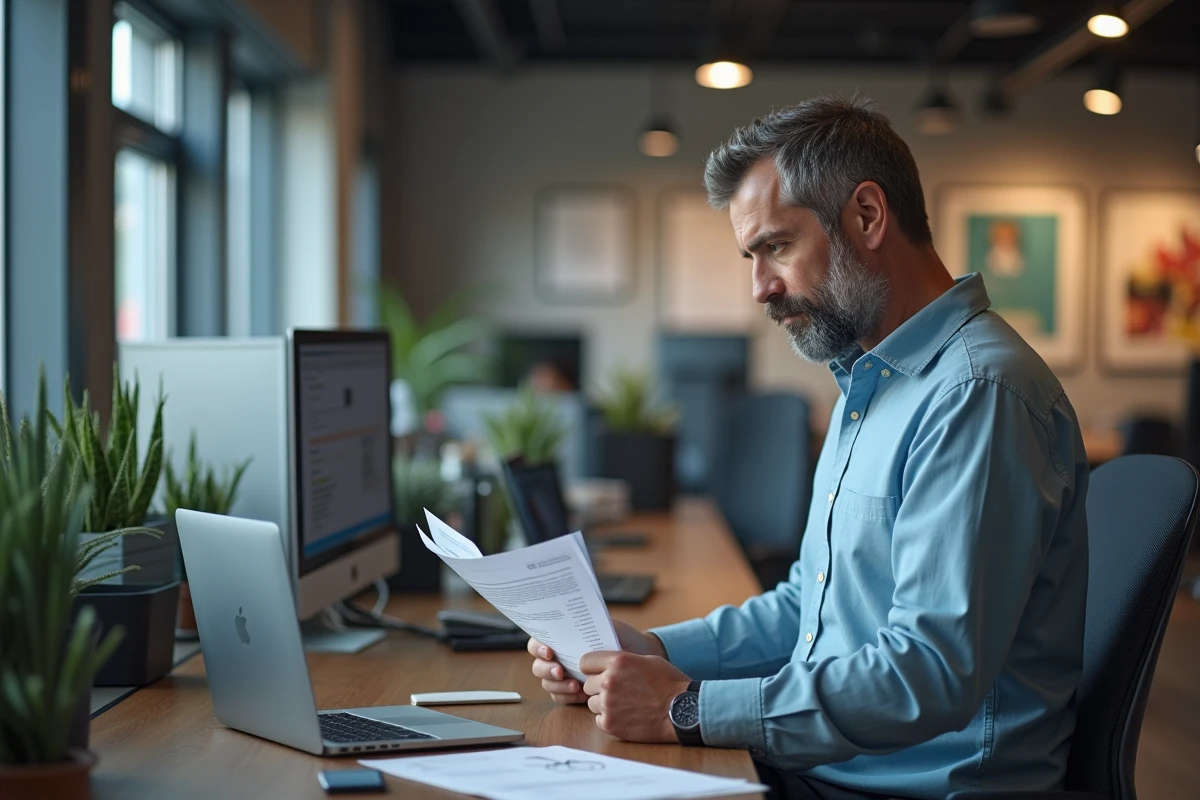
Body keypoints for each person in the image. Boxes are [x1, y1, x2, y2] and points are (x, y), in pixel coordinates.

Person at [527, 96, 1089, 800]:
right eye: (750, 256)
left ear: (867, 216)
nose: (760, 286)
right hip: (834, 768)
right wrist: (656, 653)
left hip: (909, 788)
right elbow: (810, 609)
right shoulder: (871, 380)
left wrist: (685, 707)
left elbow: (929, 672)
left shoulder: (977, 394)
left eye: (777, 246)